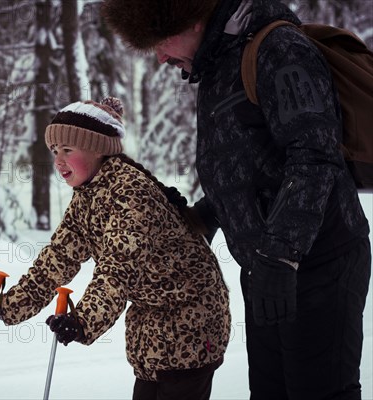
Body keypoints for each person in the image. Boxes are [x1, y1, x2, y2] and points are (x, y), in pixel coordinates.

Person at [101, 1, 372, 399]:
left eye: (162, 41)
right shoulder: (217, 66)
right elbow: (250, 166)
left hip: (321, 261)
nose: (159, 56)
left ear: (191, 18)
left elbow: (315, 156)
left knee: (319, 390)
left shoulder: (279, 50)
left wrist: (281, 256)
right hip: (266, 269)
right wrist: (203, 217)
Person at [0, 97, 231, 399]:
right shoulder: (89, 194)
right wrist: (8, 306)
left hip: (192, 321)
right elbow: (56, 259)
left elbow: (116, 271)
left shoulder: (130, 194)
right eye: (55, 151)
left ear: (98, 148)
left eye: (68, 150)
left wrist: (82, 321)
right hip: (152, 330)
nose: (58, 160)